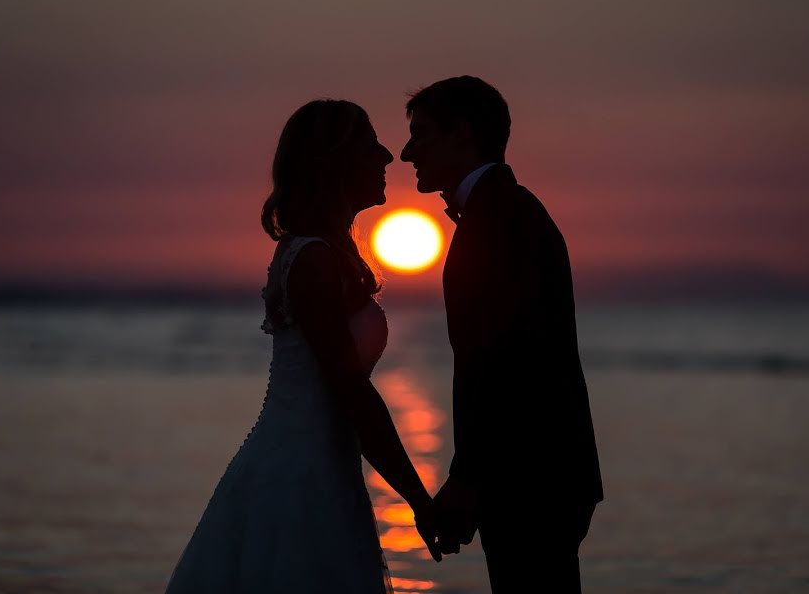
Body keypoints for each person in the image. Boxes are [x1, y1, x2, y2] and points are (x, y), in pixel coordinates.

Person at [165, 99, 439, 593]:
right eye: (369, 145)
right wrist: (419, 498)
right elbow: (350, 392)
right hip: (299, 479)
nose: (386, 156)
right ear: (334, 162)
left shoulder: (323, 254)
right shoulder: (312, 260)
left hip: (320, 466)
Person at [402, 76, 604, 592]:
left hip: (531, 477)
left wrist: (468, 477)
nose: (406, 152)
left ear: (462, 134)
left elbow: (504, 360)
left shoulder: (501, 219)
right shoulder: (503, 211)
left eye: (421, 134)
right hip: (536, 471)